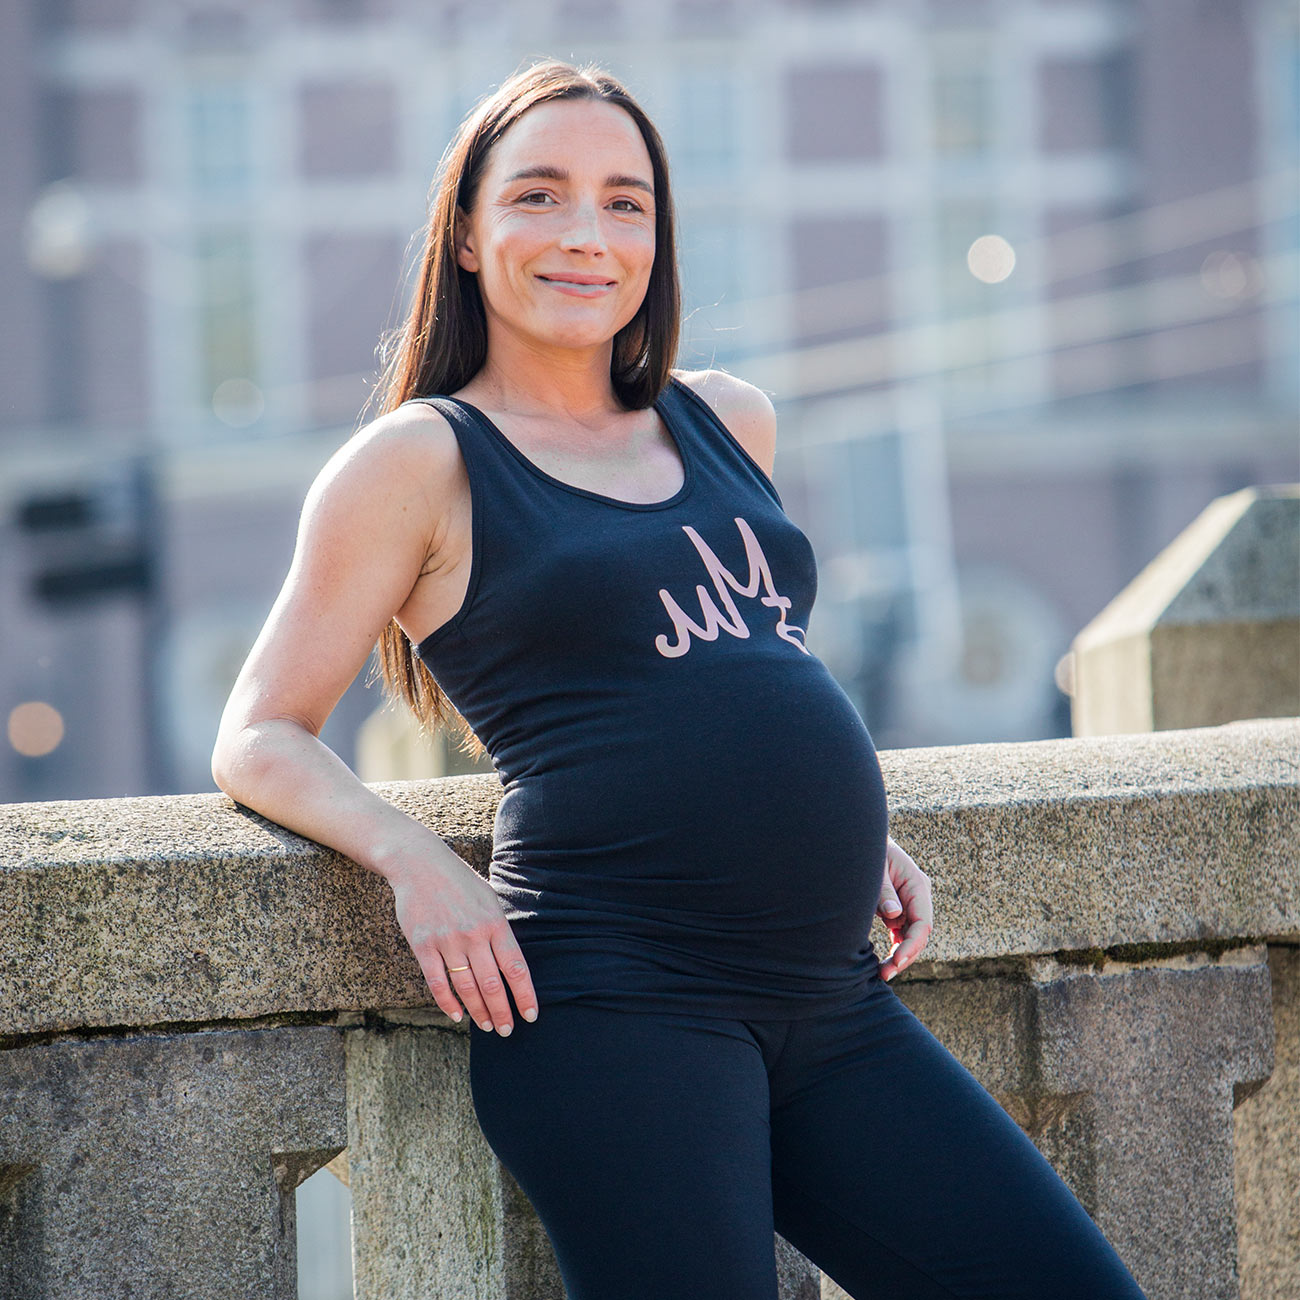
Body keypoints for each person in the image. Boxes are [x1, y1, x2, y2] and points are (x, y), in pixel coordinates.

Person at [213, 59, 1148, 1300]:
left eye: (625, 201)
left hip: (830, 997)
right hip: (620, 1007)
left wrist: (841, 818)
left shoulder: (724, 419)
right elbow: (260, 733)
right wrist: (415, 857)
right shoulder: (419, 462)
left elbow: (748, 650)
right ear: (471, 238)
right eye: (540, 196)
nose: (586, 235)